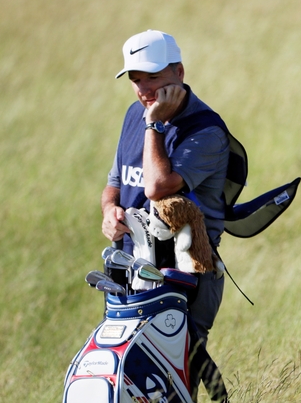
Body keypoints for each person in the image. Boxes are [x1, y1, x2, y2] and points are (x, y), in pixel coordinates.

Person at [101, 29, 229, 401]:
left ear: (179, 72)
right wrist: (110, 210)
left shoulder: (207, 130)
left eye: (152, 77)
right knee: (132, 376)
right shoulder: (134, 115)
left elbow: (158, 187)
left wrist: (154, 124)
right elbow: (115, 182)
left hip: (184, 274)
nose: (143, 89)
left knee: (175, 383)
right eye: (135, 79)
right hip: (130, 268)